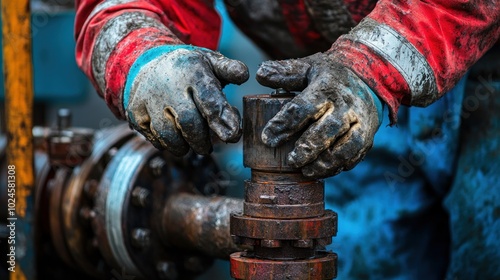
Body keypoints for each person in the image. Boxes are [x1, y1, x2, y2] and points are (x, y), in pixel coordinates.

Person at [75, 0, 500, 278]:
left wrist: (371, 68)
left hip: (482, 73)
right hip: (336, 96)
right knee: (365, 259)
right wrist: (146, 58)